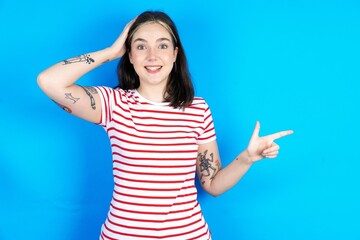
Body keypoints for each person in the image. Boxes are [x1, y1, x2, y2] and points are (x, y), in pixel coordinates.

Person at [37, 11, 293, 240]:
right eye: (140, 46)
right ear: (130, 55)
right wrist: (110, 52)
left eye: (162, 45)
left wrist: (247, 158)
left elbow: (213, 185)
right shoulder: (113, 104)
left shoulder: (198, 109)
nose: (152, 56)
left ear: (174, 53)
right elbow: (49, 81)